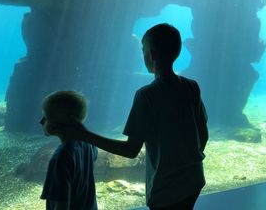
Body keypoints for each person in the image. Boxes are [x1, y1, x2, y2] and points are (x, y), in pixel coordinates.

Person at [73, 23, 208, 210]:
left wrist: (85, 135)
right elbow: (203, 133)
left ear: (151, 54)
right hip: (194, 179)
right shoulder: (191, 86)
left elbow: (131, 149)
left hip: (166, 188)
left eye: (143, 49)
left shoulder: (146, 95)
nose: (143, 54)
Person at [39, 91, 98, 210]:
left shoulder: (61, 157)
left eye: (46, 117)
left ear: (65, 121)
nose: (41, 121)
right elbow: (94, 157)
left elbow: (61, 204)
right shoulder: (88, 143)